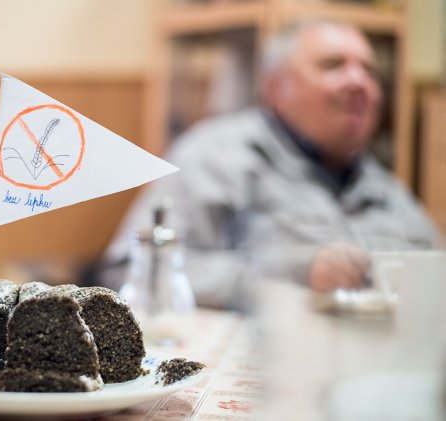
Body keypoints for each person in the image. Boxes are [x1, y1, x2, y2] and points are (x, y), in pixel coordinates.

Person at [97, 19, 443, 310]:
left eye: (369, 71)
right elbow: (129, 271)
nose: (359, 83)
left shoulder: (385, 186)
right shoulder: (215, 156)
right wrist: (289, 278)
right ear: (276, 87)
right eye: (333, 65)